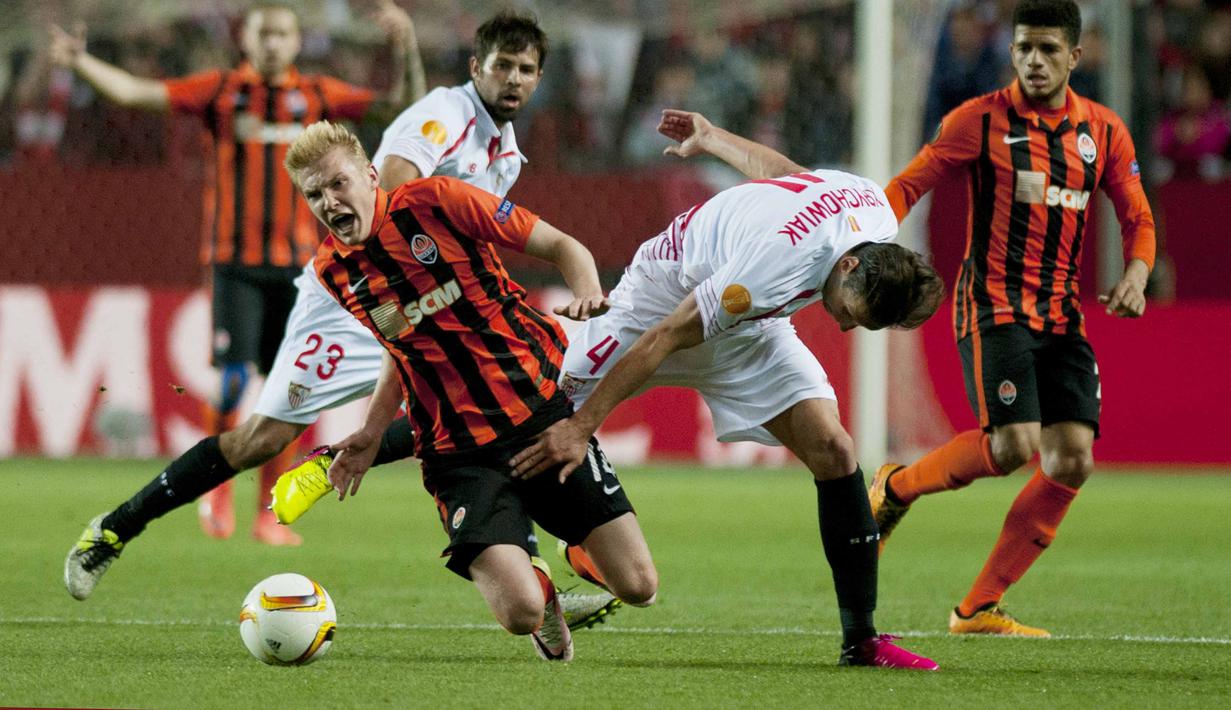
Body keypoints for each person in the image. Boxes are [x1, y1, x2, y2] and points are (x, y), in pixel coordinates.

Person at [508, 109, 945, 670]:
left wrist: (714, 139)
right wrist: (582, 426)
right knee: (537, 414)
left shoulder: (874, 209)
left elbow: (787, 175)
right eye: (847, 310)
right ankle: (530, 562)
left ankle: (862, 642)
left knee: (834, 450)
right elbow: (665, 337)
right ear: (848, 264)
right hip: (659, 304)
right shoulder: (768, 271)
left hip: (752, 330)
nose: (841, 325)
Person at [49, 1, 419, 543]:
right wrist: (81, 64)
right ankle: (216, 488)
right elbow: (135, 93)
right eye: (263, 33)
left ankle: (267, 511)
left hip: (301, 272)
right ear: (247, 39)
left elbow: (400, 105)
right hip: (234, 262)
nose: (272, 43)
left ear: (296, 42)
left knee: (292, 389)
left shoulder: (317, 95)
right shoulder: (221, 91)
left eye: (282, 34)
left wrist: (406, 44)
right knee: (235, 380)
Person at [289, 120, 658, 662]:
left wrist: (586, 293)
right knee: (520, 613)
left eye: (338, 184)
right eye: (314, 194)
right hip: (458, 454)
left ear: (371, 176)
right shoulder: (332, 270)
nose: (329, 202)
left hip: (540, 418)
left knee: (639, 586)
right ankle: (543, 596)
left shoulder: (439, 202)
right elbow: (403, 347)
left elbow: (561, 244)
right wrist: (370, 430)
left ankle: (579, 553)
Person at [871, 0, 1156, 637]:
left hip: (1061, 316)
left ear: (1074, 57)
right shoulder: (979, 121)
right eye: (1024, 47)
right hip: (993, 306)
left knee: (1073, 457)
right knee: (1013, 446)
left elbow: (1137, 217)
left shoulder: (1104, 132)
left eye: (1048, 50)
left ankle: (977, 608)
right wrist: (861, 235)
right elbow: (910, 183)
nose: (1033, 60)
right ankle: (895, 488)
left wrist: (1136, 273)